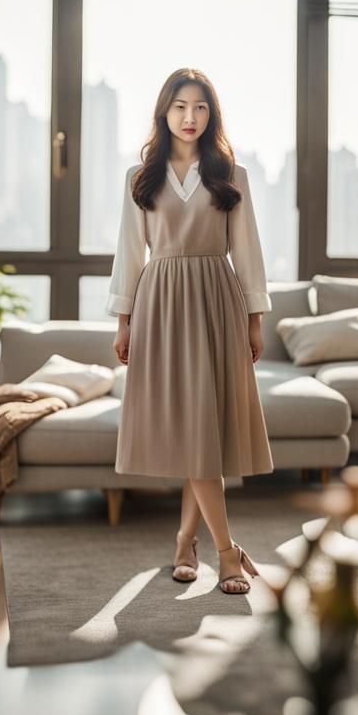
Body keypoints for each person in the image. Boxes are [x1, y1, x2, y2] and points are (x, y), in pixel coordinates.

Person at [106, 67, 274, 595]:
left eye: (200, 107)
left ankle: (196, 544)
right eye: (180, 106)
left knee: (203, 429)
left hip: (215, 301)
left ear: (211, 115)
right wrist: (123, 321)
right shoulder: (141, 177)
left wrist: (254, 319)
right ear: (165, 111)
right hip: (159, 304)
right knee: (189, 429)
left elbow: (247, 250)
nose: (190, 116)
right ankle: (218, 548)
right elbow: (129, 252)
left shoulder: (231, 174)